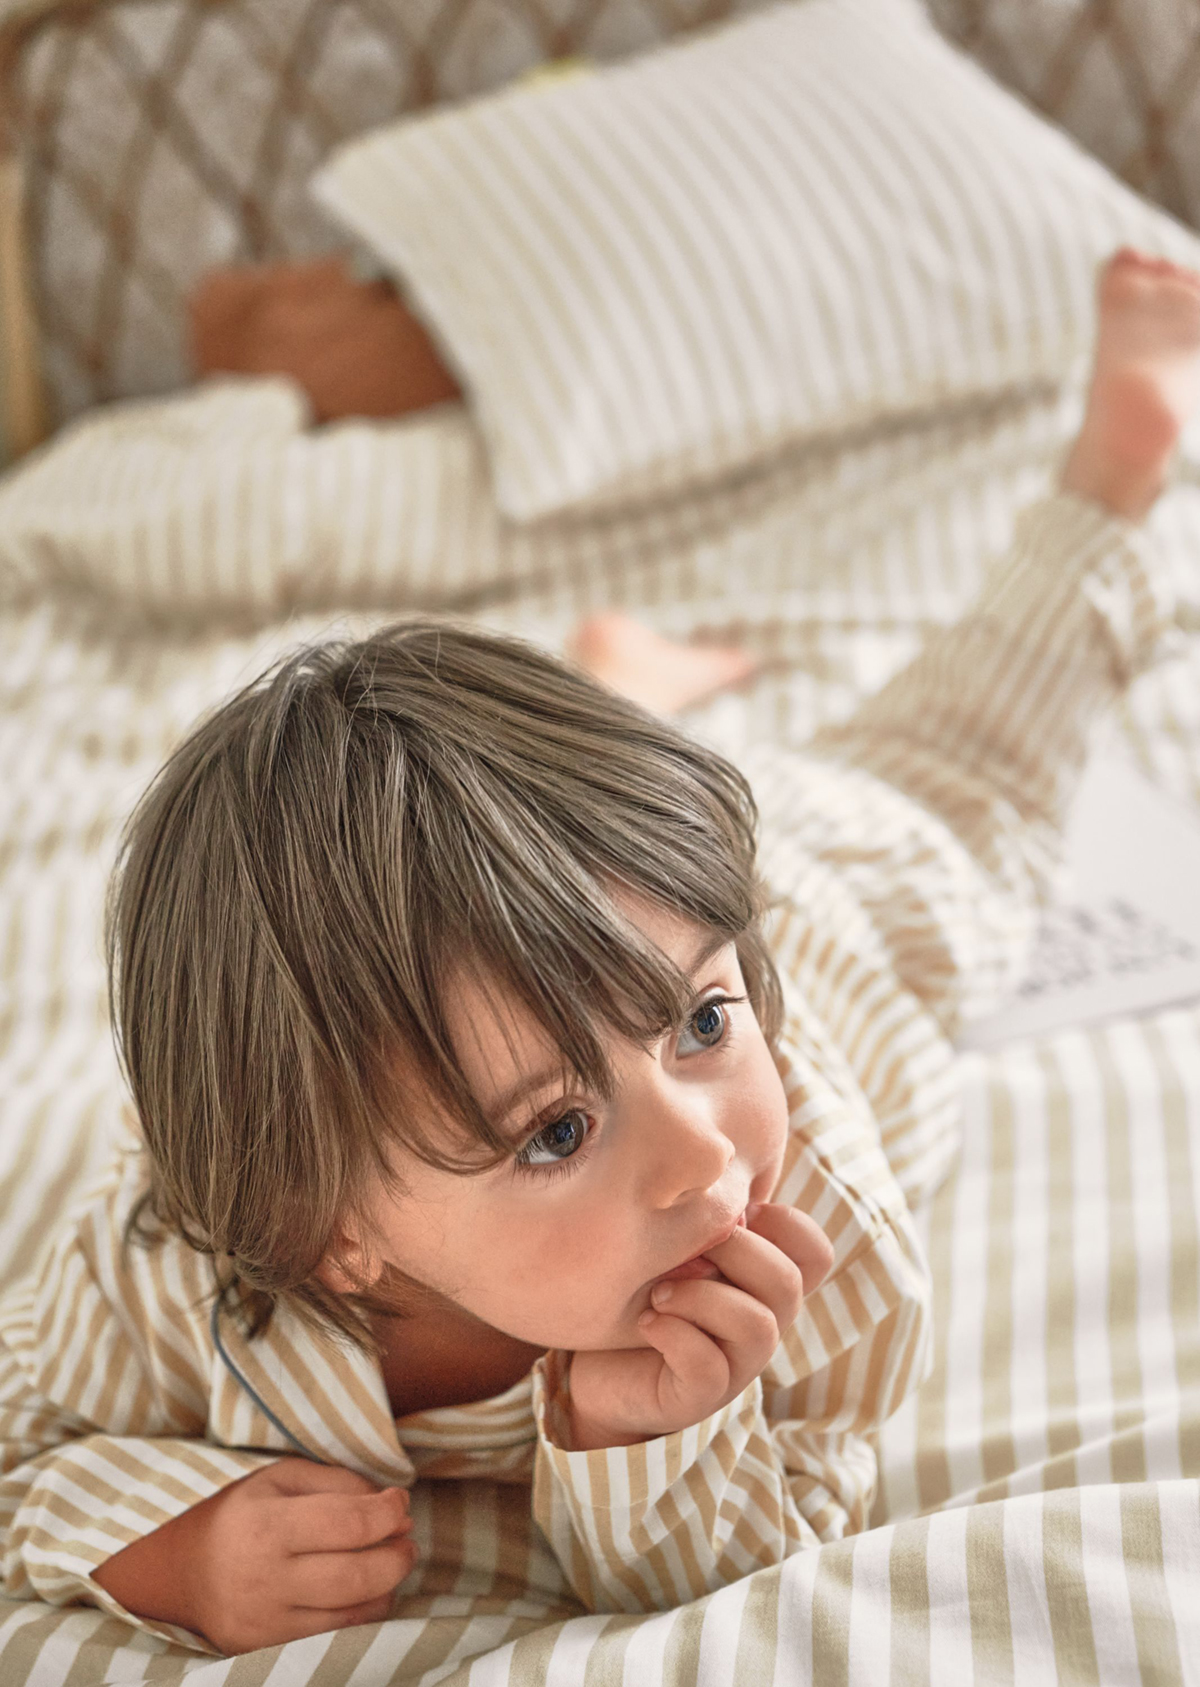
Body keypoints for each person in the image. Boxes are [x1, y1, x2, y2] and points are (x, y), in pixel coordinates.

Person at [0, 249, 1193, 1659]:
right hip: (631, 928)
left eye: (703, 1037)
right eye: (557, 1129)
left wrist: (649, 1439)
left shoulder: (817, 1221)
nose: (704, 1157)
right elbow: (27, 1445)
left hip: (798, 911)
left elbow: (784, 1537)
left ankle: (1116, 472)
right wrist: (165, 1552)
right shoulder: (170, 1274)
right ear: (337, 1237)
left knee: (967, 769)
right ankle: (622, 697)